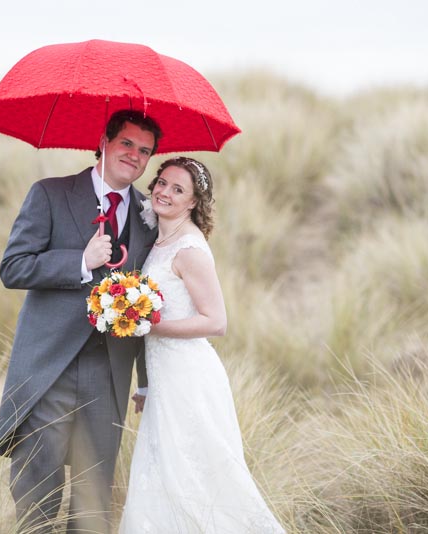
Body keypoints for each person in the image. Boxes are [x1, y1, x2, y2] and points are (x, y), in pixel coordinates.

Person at [0, 109, 162, 533]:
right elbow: (13, 267)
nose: (135, 156)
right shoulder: (49, 194)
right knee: (37, 491)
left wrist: (145, 379)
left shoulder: (150, 216)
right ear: (103, 142)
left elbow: (148, 302)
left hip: (108, 373)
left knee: (93, 500)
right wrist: (80, 262)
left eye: (145, 151)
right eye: (127, 143)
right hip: (49, 367)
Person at [118, 157, 285, 533]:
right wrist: (146, 382)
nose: (165, 192)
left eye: (179, 190)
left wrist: (148, 325)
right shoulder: (160, 239)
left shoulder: (190, 249)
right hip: (163, 378)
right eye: (162, 183)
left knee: (199, 477)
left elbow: (216, 322)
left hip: (189, 378)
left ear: (193, 202)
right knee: (164, 476)